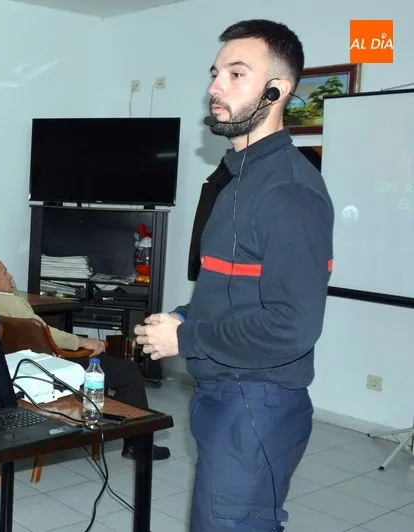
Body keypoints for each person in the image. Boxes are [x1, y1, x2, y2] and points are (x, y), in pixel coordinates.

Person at [134, 20, 334, 531]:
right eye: (216, 72)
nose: (215, 87)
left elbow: (292, 325)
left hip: (257, 403)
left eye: (236, 74)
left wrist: (188, 336)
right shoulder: (235, 181)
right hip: (222, 392)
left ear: (276, 91)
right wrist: (181, 318)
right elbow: (233, 291)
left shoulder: (288, 191)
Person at [0, 255, 169, 460]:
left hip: (21, 371)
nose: (10, 276)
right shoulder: (12, 303)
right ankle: (138, 445)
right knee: (129, 371)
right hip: (52, 368)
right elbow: (45, 333)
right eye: (5, 273)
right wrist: (83, 342)